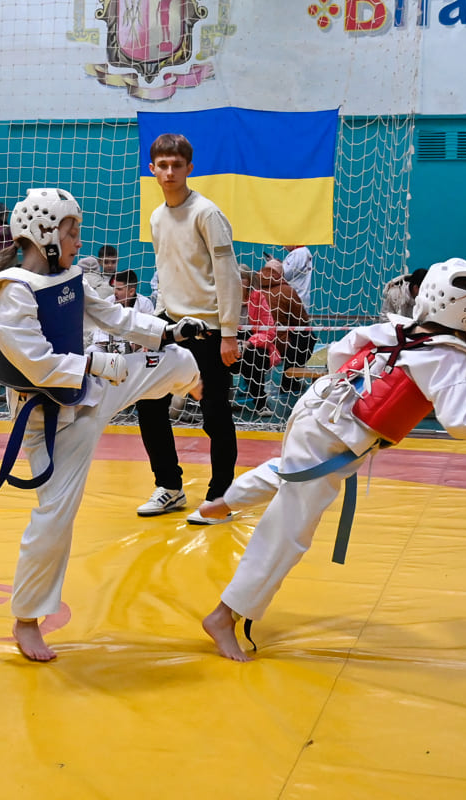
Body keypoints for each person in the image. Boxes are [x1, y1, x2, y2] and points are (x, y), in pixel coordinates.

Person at [196, 258, 466, 661]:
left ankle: (228, 500)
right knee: (289, 530)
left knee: (295, 473)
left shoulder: (396, 327)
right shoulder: (452, 360)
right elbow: (460, 420)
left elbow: (340, 353)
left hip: (314, 410)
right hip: (337, 436)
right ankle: (224, 615)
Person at [0, 187, 201, 661]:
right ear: (46, 233)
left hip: (90, 390)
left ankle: (199, 386)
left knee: (176, 358)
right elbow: (37, 363)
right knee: (55, 517)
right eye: (72, 232)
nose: (78, 241)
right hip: (50, 419)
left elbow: (112, 316)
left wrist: (166, 330)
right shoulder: (8, 294)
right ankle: (26, 620)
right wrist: (94, 363)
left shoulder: (70, 277)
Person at [134, 133, 242, 524]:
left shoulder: (207, 214)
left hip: (210, 331)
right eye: (162, 165)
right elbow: (166, 273)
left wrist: (229, 333)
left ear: (189, 168)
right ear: (152, 169)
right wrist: (158, 326)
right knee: (149, 404)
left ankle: (220, 497)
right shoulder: (156, 217)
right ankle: (169, 486)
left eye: (176, 165)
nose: (169, 172)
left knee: (215, 415)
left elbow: (228, 275)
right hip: (171, 328)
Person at [261, 258, 317, 394]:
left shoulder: (252, 288)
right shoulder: (287, 291)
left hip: (252, 339)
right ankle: (289, 381)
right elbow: (302, 321)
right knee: (307, 337)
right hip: (279, 343)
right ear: (281, 274)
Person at [232, 266, 280, 416]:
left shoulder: (258, 298)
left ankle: (261, 403)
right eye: (235, 276)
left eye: (242, 277)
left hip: (252, 343)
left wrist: (249, 343)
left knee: (254, 357)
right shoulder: (223, 298)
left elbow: (269, 331)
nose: (238, 280)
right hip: (228, 340)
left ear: (249, 281)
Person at [280, 244, 314, 314]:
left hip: (294, 298)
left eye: (284, 243)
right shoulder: (305, 251)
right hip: (302, 297)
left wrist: (273, 265)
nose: (283, 247)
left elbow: (284, 275)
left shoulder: (297, 254)